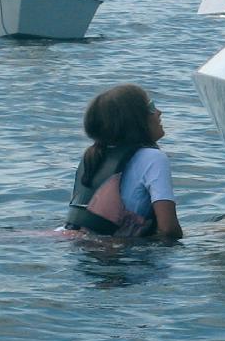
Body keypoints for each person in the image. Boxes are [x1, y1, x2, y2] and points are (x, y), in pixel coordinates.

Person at [64, 84, 182, 239]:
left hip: (75, 239)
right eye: (151, 107)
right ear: (135, 120)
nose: (159, 112)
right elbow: (169, 230)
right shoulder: (154, 158)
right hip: (119, 249)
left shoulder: (92, 156)